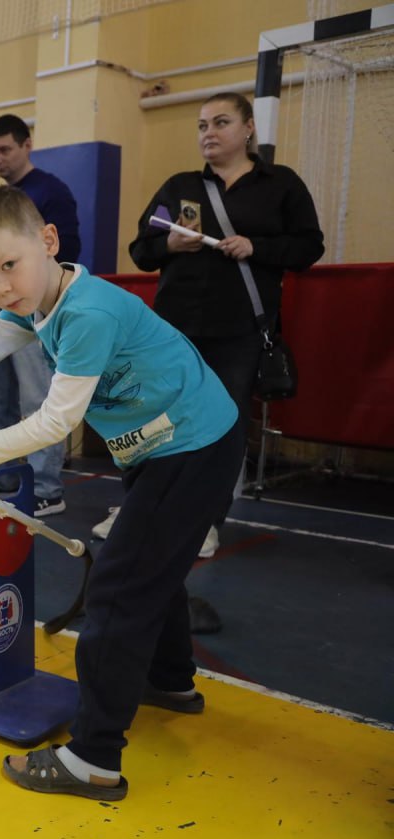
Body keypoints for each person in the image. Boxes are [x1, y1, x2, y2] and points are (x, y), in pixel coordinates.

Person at [0, 185, 243, 801]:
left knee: (119, 589)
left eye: (9, 267)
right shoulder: (41, 296)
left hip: (193, 446)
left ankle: (95, 759)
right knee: (154, 567)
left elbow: (55, 423)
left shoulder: (88, 313)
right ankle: (172, 680)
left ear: (48, 242)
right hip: (168, 445)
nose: (1, 289)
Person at [118, 91, 324, 562]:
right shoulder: (179, 186)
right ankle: (142, 509)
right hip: (173, 330)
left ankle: (205, 522)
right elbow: (140, 251)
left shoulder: (281, 185)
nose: (208, 133)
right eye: (202, 125)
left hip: (240, 332)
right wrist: (168, 243)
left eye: (221, 122)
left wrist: (258, 247)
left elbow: (310, 247)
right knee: (158, 422)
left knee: (221, 430)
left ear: (249, 129)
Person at [0, 113, 83, 516]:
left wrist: (40, 304)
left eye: (4, 149)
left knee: (39, 401)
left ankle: (45, 488)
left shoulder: (50, 191)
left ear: (26, 145)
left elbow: (67, 249)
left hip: (36, 313)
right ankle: (3, 480)